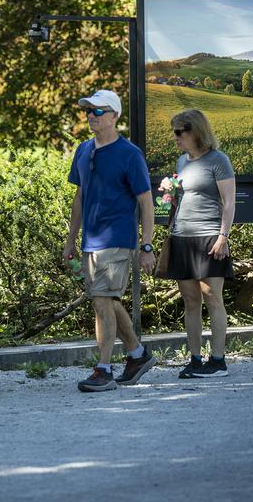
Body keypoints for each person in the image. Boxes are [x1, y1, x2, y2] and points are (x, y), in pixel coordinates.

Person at [63, 89, 157, 392]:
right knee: (106, 300)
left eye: (98, 111)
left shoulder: (130, 154)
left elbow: (146, 202)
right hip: (91, 242)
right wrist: (71, 240)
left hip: (119, 239)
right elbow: (79, 197)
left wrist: (146, 245)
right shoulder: (83, 150)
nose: (91, 116)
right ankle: (138, 354)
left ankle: (103, 369)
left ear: (114, 116)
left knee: (102, 301)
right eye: (88, 111)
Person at [158, 108, 236, 378]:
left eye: (179, 132)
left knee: (212, 298)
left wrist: (223, 236)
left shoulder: (218, 160)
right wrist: (170, 193)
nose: (175, 138)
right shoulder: (182, 162)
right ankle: (194, 359)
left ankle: (218, 361)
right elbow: (182, 198)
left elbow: (229, 203)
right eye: (174, 132)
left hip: (209, 238)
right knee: (190, 301)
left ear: (195, 131)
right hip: (182, 237)